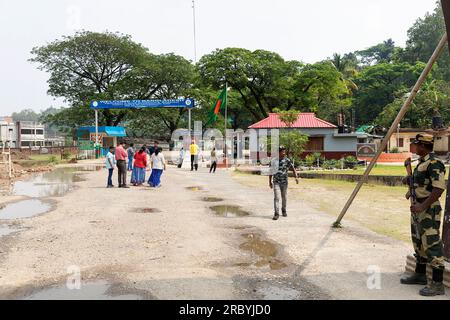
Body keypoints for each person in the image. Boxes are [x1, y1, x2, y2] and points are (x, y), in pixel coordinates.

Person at [400, 134, 446, 296]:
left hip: (428, 209)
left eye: (416, 145)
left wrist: (422, 206)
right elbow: (422, 182)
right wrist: (409, 179)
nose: (414, 147)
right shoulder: (421, 163)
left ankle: (438, 284)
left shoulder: (434, 164)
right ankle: (420, 274)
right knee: (418, 242)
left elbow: (438, 188)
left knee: (432, 244)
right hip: (417, 206)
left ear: (424, 146)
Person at [269, 146, 299, 221]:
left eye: (284, 151)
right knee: (277, 198)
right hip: (276, 182)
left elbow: (293, 169)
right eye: (282, 151)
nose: (284, 153)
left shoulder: (287, 160)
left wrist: (296, 177)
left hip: (284, 182)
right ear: (278, 152)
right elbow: (271, 172)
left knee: (284, 197)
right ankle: (276, 214)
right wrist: (269, 182)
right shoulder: (273, 161)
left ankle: (284, 210)